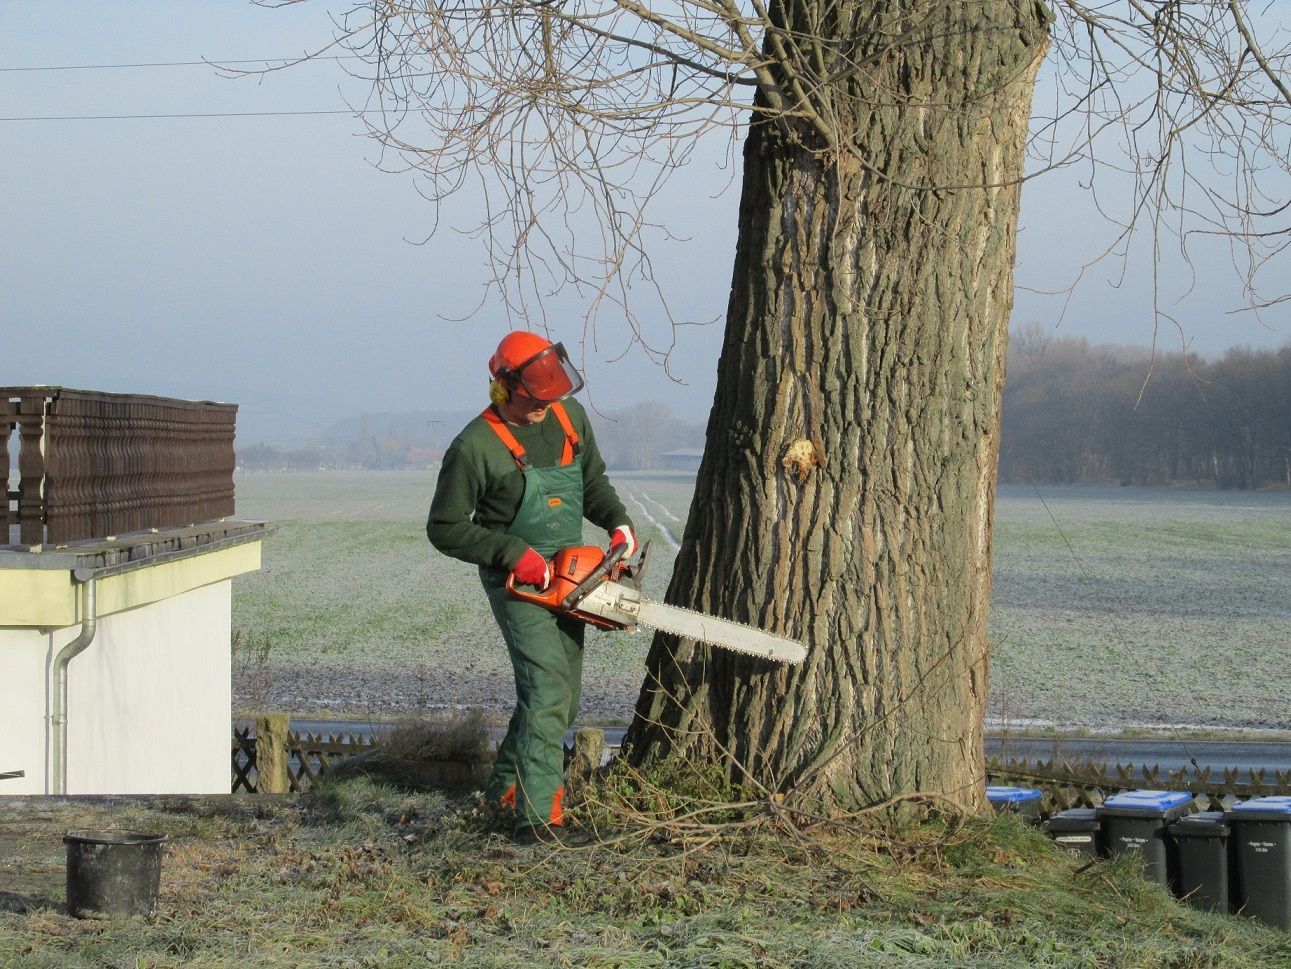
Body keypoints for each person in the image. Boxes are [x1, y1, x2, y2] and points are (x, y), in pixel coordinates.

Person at [427, 331, 636, 843]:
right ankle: (539, 821)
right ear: (504, 387)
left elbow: (592, 483)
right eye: (535, 397)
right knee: (547, 691)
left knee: (563, 696)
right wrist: (512, 553)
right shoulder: (474, 447)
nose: (545, 405)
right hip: (516, 582)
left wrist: (617, 522)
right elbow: (444, 527)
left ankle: (504, 788)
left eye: (552, 393)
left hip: (572, 575)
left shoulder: (569, 417)